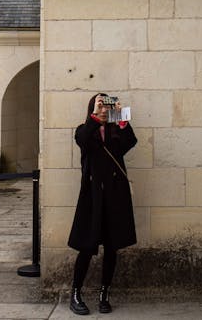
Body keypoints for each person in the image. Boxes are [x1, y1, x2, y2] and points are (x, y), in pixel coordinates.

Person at [68, 92, 137, 315]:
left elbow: (130, 142)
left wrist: (119, 115)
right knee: (87, 246)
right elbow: (83, 141)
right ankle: (76, 293)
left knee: (111, 246)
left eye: (106, 104)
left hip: (115, 194)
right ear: (93, 107)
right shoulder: (84, 128)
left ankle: (104, 293)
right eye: (100, 103)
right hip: (93, 195)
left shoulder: (116, 129)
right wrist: (95, 115)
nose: (104, 107)